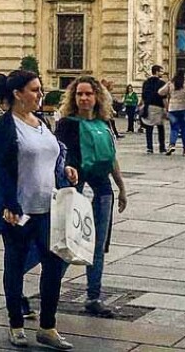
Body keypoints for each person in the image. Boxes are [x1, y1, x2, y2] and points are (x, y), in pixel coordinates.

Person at [0, 70, 77, 350]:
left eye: (40, 89)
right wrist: (10, 205)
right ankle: (16, 323)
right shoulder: (4, 126)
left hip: (48, 207)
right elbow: (0, 169)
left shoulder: (42, 121)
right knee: (14, 267)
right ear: (18, 94)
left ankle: (48, 327)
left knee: (54, 266)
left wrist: (67, 169)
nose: (41, 94)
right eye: (35, 89)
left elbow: (52, 155)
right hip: (19, 210)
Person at [54, 76, 129, 318]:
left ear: (97, 96)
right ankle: (50, 289)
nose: (84, 98)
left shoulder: (104, 122)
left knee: (97, 246)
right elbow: (59, 156)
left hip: (102, 190)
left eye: (88, 94)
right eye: (79, 94)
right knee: (69, 243)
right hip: (76, 189)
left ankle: (93, 297)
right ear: (74, 98)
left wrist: (121, 187)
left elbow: (112, 158)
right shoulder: (67, 124)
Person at [158, 68, 185, 157]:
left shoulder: (170, 84)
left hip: (173, 109)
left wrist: (170, 94)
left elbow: (160, 92)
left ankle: (171, 145)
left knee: (174, 128)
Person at [141, 65, 167, 154]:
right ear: (156, 72)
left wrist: (142, 105)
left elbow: (143, 96)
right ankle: (162, 148)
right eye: (161, 71)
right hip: (159, 107)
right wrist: (166, 108)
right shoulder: (162, 83)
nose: (162, 73)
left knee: (149, 128)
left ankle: (149, 148)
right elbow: (164, 97)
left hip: (149, 106)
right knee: (160, 128)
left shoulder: (146, 82)